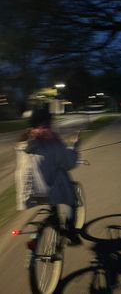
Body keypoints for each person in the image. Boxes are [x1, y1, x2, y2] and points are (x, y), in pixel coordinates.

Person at [15, 105, 81, 244]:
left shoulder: (22, 142)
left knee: (49, 181)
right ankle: (70, 231)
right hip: (48, 190)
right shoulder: (53, 142)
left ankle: (54, 223)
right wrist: (75, 146)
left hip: (28, 193)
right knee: (71, 199)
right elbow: (69, 163)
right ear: (47, 124)